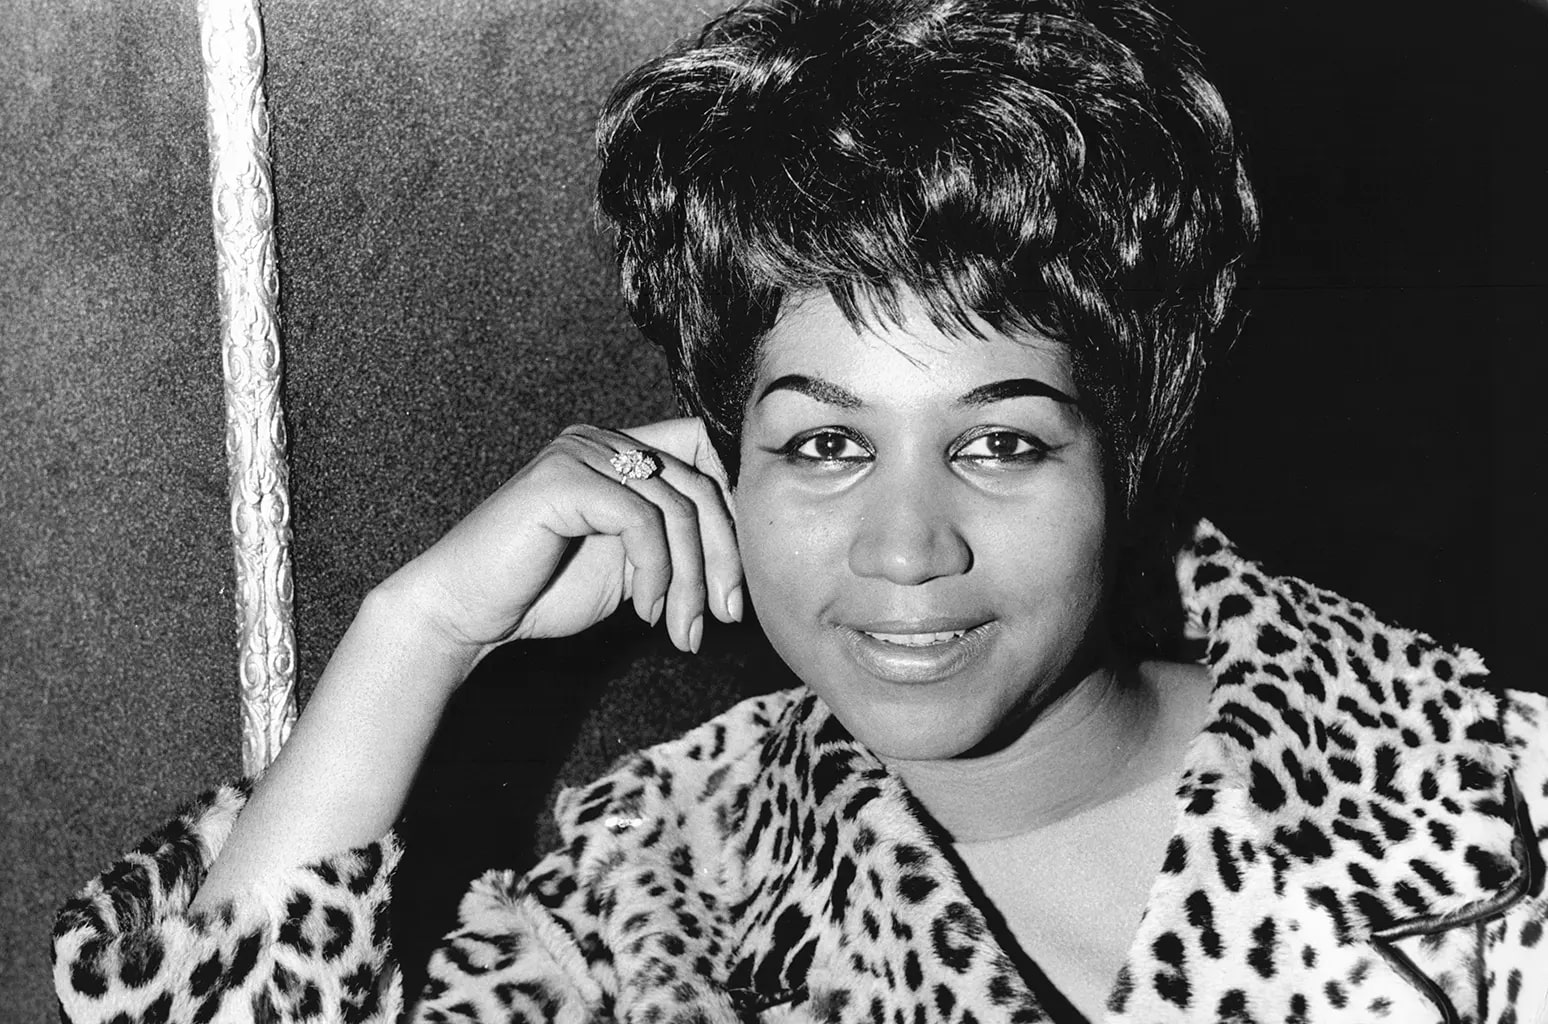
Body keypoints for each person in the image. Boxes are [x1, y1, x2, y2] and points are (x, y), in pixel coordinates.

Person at [53, 0, 1548, 1021]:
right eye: (827, 445)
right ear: (728, 468)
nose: (906, 549)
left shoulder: (1489, 803)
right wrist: (418, 629)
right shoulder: (659, 894)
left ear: (1131, 460)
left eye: (1001, 445)